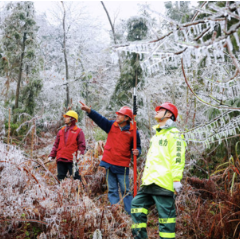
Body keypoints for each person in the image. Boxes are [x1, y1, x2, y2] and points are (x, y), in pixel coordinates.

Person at [131, 102, 186, 239]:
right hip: (150, 182)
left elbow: (178, 158)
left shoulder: (175, 135)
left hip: (163, 183)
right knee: (137, 205)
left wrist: (176, 179)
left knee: (166, 220)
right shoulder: (156, 136)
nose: (156, 111)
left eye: (160, 110)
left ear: (168, 114)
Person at [80, 102, 141, 215]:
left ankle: (130, 213)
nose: (117, 116)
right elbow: (100, 119)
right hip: (109, 163)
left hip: (122, 166)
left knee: (125, 191)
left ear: (127, 118)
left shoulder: (133, 132)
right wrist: (89, 111)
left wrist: (137, 151)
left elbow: (138, 148)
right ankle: (116, 212)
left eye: (120, 114)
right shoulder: (112, 125)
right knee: (112, 190)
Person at [49, 110, 86, 181]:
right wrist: (52, 155)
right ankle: (62, 192)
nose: (65, 118)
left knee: (76, 179)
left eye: (67, 117)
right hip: (61, 158)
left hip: (72, 160)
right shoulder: (61, 131)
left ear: (72, 119)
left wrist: (80, 155)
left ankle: (77, 192)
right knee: (60, 180)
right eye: (65, 117)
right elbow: (56, 145)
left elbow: (82, 145)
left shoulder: (79, 131)